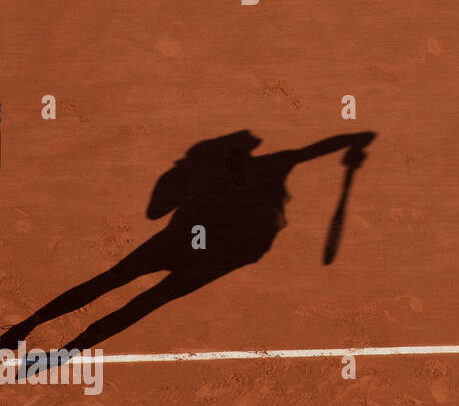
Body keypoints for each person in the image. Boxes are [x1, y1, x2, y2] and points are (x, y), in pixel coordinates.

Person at [0, 130, 375, 355]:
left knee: (115, 278)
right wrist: (354, 149)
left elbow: (153, 212)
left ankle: (23, 329)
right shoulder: (273, 165)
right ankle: (71, 350)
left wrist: (180, 182)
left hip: (186, 240)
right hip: (228, 251)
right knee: (151, 298)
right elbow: (338, 142)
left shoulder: (198, 176)